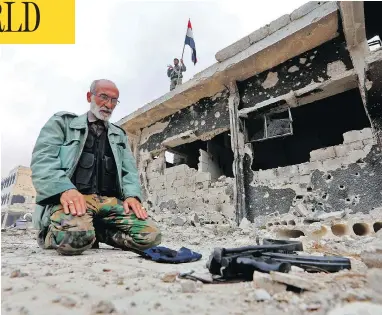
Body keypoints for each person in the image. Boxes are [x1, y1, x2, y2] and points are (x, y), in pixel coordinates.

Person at [30, 79, 161, 256]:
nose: (108, 104)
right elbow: (43, 160)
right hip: (75, 201)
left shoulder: (118, 135)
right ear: (89, 96)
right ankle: (53, 234)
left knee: (151, 237)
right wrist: (64, 189)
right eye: (103, 97)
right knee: (74, 239)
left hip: (109, 203)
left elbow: (129, 171)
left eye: (114, 100)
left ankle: (95, 232)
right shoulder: (63, 124)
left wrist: (132, 196)